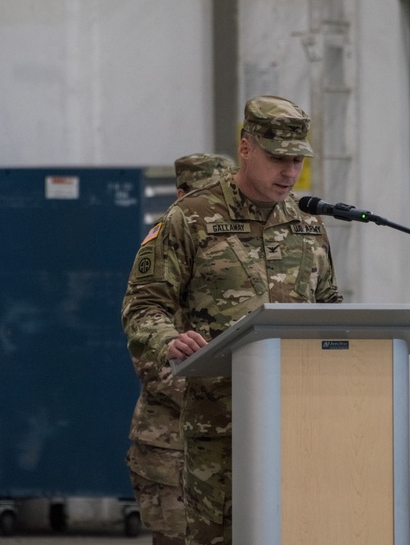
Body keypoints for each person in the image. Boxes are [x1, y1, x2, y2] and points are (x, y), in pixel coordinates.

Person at [122, 96, 343, 545]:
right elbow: (143, 306)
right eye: (277, 157)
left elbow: (329, 306)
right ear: (246, 148)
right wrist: (168, 339)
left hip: (297, 423)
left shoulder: (308, 225)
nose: (289, 171)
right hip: (216, 432)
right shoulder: (191, 217)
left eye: (297, 160)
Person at [127, 153, 235, 545]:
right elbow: (154, 363)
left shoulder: (224, 257)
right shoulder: (166, 249)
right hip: (170, 444)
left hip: (223, 444)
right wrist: (228, 397)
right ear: (181, 194)